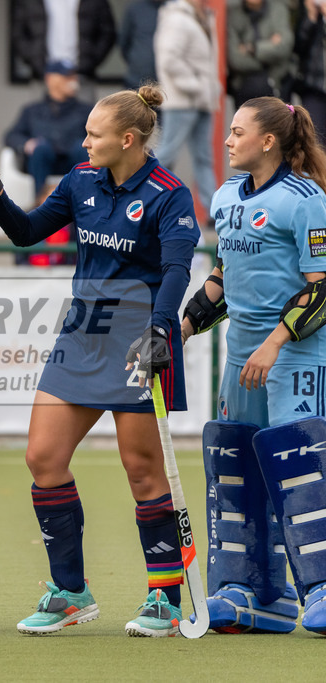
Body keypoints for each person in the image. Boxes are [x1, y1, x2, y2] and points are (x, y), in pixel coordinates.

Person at [0, 84, 200, 637]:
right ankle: (70, 592)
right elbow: (28, 233)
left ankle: (164, 599)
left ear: (127, 139)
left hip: (140, 339)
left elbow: (177, 269)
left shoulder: (168, 194)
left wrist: (160, 328)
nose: (83, 143)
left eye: (93, 135)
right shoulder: (80, 180)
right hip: (82, 335)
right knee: (43, 457)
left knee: (141, 469)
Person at [181, 97, 326, 635]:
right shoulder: (223, 198)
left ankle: (321, 588)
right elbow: (224, 276)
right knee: (234, 458)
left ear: (268, 141)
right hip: (241, 359)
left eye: (237, 131)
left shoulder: (307, 200)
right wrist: (187, 327)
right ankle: (254, 592)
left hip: (294, 354)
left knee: (299, 465)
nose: (227, 139)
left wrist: (276, 341)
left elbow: (323, 289)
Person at [154, 0, 220, 214]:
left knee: (204, 157)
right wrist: (195, 86)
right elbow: (168, 60)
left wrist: (205, 90)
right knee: (167, 154)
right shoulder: (176, 17)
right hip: (182, 101)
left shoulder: (202, 16)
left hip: (201, 101)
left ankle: (213, 212)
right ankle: (142, 196)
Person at [5, 59, 92, 198]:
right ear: (50, 79)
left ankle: (86, 203)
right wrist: (27, 144)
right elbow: (11, 136)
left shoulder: (87, 110)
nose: (73, 81)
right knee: (41, 148)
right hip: (41, 164)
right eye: (67, 77)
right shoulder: (32, 111)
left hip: (73, 163)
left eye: (74, 76)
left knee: (81, 148)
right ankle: (41, 206)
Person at [10, 0, 117, 83]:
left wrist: (89, 62)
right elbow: (19, 34)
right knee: (38, 111)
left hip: (82, 77)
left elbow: (107, 33)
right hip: (43, 77)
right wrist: (36, 62)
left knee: (88, 112)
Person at [227, 0, 295, 105]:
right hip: (245, 87)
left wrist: (253, 49)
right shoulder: (233, 14)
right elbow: (235, 60)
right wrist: (269, 55)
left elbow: (284, 47)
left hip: (276, 83)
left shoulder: (278, 9)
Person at [295, 0, 326, 145]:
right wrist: (311, 16)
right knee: (314, 139)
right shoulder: (309, 18)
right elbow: (299, 46)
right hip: (314, 87)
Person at [119, 0, 167, 90]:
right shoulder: (134, 9)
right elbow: (124, 42)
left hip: (168, 83)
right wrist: (137, 61)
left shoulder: (175, 9)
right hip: (137, 81)